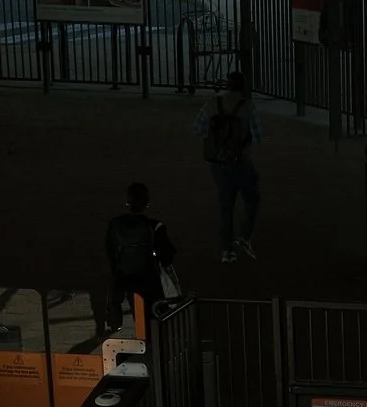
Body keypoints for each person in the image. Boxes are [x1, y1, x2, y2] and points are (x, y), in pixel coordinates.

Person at [192, 73, 262, 263]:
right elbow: (257, 136)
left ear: (227, 85)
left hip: (218, 163)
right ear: (243, 87)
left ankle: (227, 251)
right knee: (252, 198)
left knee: (225, 205)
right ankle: (244, 237)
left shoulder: (212, 103)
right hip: (241, 161)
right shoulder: (247, 106)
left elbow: (198, 129)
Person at [103, 182, 181, 326]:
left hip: (124, 279)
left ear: (128, 201)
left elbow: (110, 252)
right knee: (154, 319)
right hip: (149, 281)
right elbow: (167, 256)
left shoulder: (115, 224)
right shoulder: (155, 226)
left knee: (136, 315)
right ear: (147, 203)